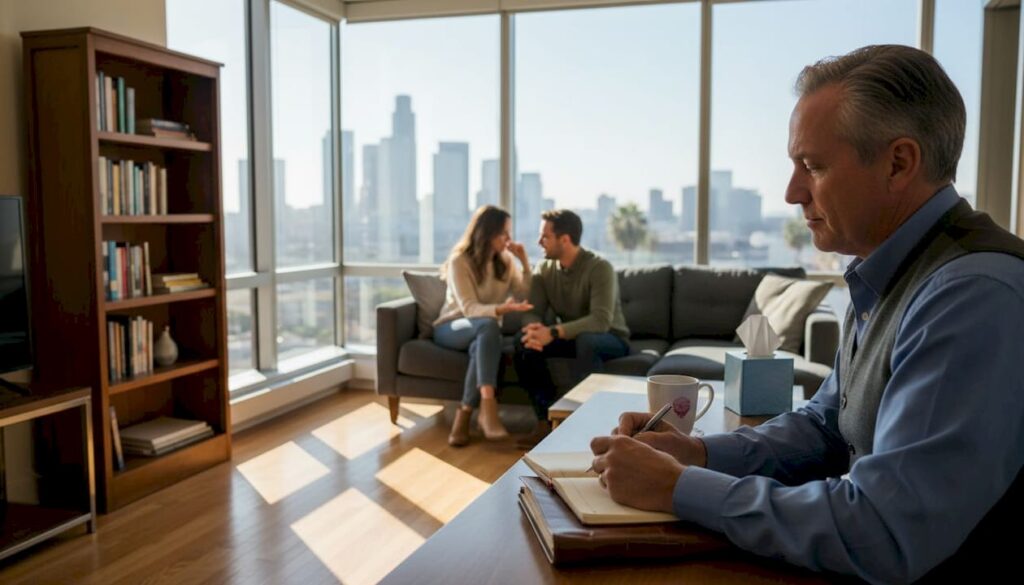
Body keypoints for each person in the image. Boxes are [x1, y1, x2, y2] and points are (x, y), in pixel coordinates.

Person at [589, 45, 1024, 583]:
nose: (792, 192)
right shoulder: (888, 273)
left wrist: (677, 487)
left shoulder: (970, 295)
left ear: (898, 163)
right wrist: (695, 453)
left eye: (813, 167)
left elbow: (884, 531)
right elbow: (825, 426)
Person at [515, 209, 630, 446]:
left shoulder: (600, 267)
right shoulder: (544, 269)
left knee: (587, 341)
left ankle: (590, 427)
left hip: (609, 337)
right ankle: (545, 423)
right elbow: (533, 311)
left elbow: (600, 320)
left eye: (545, 236)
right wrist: (534, 331)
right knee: (523, 342)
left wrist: (552, 332)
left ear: (564, 239)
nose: (539, 242)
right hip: (571, 337)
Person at [434, 205, 533, 447]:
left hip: (484, 332)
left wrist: (524, 261)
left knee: (482, 341)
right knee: (489, 326)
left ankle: (464, 417)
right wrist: (501, 310)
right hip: (451, 327)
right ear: (488, 233)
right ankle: (489, 410)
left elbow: (523, 295)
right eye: (504, 233)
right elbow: (469, 308)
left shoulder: (505, 262)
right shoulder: (459, 261)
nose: (508, 238)